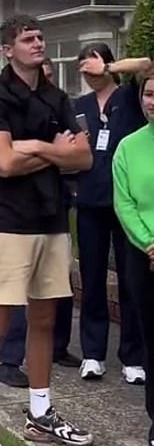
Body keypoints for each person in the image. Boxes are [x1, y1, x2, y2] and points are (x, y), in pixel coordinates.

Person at [0, 15, 94, 446]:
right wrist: (49, 149)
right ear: (7, 49)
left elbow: (84, 155)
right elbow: (1, 163)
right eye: (28, 39)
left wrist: (32, 149)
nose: (38, 44)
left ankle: (40, 413)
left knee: (44, 320)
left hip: (53, 222)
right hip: (9, 223)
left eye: (40, 37)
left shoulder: (57, 98)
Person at [74, 44, 152, 383]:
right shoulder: (79, 106)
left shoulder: (131, 95)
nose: (87, 72)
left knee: (130, 282)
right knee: (91, 279)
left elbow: (147, 63)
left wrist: (109, 69)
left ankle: (132, 356)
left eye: (92, 64)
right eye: (82, 66)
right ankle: (93, 353)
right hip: (91, 201)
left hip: (126, 206)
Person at [113, 76, 154, 446]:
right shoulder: (128, 146)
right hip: (146, 255)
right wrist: (148, 243)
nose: (152, 102)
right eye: (148, 94)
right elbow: (124, 204)